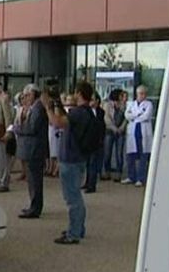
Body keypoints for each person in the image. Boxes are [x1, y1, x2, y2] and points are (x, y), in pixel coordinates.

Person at [41, 81, 94, 244]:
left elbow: (57, 123)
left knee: (72, 198)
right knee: (75, 195)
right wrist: (57, 103)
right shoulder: (86, 112)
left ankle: (74, 233)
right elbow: (65, 117)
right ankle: (78, 228)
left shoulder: (79, 112)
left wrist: (48, 107)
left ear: (79, 93)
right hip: (77, 157)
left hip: (71, 159)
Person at [11, 84, 48, 219]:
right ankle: (33, 205)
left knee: (35, 180)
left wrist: (17, 129)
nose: (25, 98)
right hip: (32, 149)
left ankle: (35, 207)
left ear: (34, 94)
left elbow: (32, 128)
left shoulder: (38, 109)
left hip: (35, 149)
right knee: (32, 180)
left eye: (27, 95)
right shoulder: (34, 108)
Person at [122, 85, 153, 187]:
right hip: (132, 131)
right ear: (136, 94)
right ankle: (131, 176)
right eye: (140, 93)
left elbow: (146, 116)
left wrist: (134, 116)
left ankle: (141, 178)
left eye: (143, 93)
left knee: (143, 156)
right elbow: (127, 115)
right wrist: (138, 115)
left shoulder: (149, 104)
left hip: (143, 131)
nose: (141, 95)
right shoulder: (131, 104)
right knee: (130, 155)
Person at [83, 92, 106, 193]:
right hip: (88, 141)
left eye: (93, 100)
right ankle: (87, 182)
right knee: (88, 163)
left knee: (93, 163)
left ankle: (92, 185)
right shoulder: (86, 111)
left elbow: (101, 126)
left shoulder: (101, 112)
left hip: (96, 141)